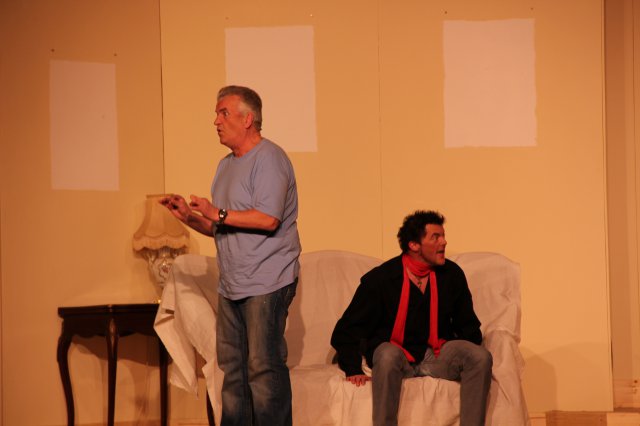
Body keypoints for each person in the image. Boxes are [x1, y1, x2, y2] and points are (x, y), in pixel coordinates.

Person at [160, 85, 301, 426]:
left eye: (223, 113)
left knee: (263, 369)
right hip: (232, 285)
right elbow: (221, 227)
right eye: (216, 114)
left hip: (267, 281)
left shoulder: (270, 158)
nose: (216, 121)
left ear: (248, 119)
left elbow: (268, 219)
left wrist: (217, 212)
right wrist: (190, 217)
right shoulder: (225, 166)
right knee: (233, 372)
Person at [331, 210, 492, 426]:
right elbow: (347, 329)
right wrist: (352, 368)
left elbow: (468, 325)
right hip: (397, 356)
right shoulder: (382, 279)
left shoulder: (451, 274)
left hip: (435, 354)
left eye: (443, 236)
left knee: (480, 356)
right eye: (435, 237)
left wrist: (466, 352)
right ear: (414, 245)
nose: (444, 242)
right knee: (387, 354)